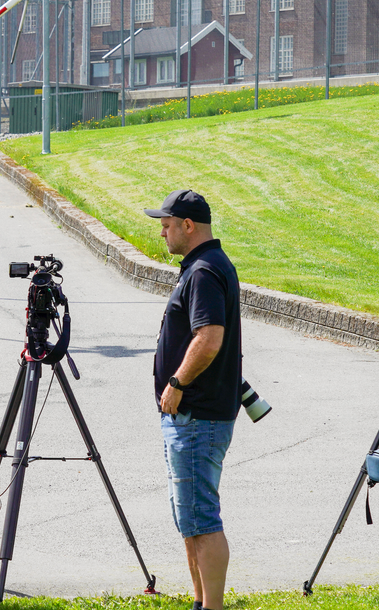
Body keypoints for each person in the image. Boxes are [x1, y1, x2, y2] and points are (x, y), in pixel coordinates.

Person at [144, 190, 242, 610]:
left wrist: (178, 382)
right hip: (190, 415)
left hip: (196, 414)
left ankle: (213, 606)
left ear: (188, 225)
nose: (162, 232)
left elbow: (210, 337)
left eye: (167, 225)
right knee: (189, 518)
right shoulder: (204, 267)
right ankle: (202, 602)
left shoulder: (203, 270)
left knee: (201, 516)